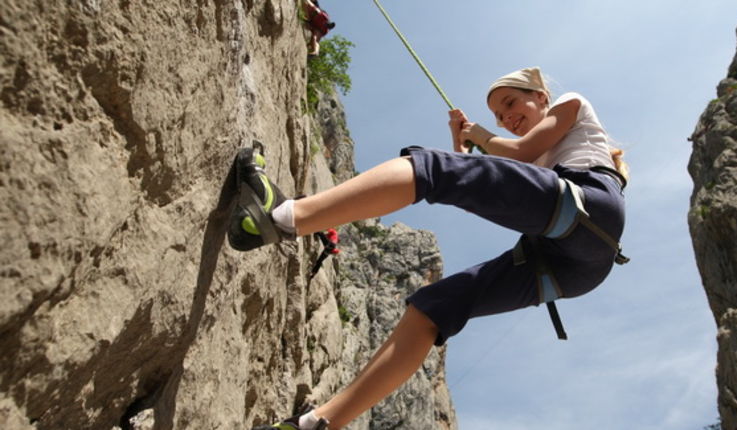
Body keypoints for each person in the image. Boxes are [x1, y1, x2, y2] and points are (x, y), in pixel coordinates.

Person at [231, 67, 628, 430]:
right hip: (573, 264)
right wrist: (465, 146)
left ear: (542, 97)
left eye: (510, 102)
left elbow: (516, 154)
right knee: (431, 308)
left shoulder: (571, 103)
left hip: (587, 206)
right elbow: (486, 179)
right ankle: (318, 425)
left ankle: (282, 216)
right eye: (498, 115)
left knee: (430, 167)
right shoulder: (536, 155)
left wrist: (477, 137)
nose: (506, 117)